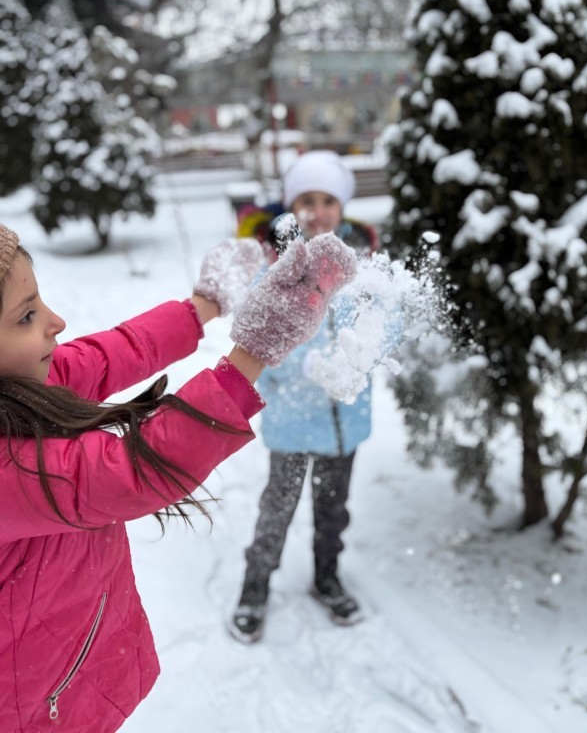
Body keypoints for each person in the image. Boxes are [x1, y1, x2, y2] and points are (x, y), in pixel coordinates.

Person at [0, 222, 356, 733]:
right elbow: (128, 470)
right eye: (27, 315)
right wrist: (251, 353)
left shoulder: (26, 382)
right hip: (32, 708)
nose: (57, 322)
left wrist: (204, 305)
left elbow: (112, 353)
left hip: (67, 668)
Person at [229, 150, 378, 644]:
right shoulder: (277, 269)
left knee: (334, 511)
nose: (318, 210)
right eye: (307, 200)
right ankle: (255, 585)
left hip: (344, 426)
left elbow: (385, 324)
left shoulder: (363, 267)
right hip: (293, 423)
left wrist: (360, 359)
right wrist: (310, 364)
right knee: (279, 508)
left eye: (328, 200)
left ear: (343, 208)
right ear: (292, 206)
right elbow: (259, 334)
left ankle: (327, 576)